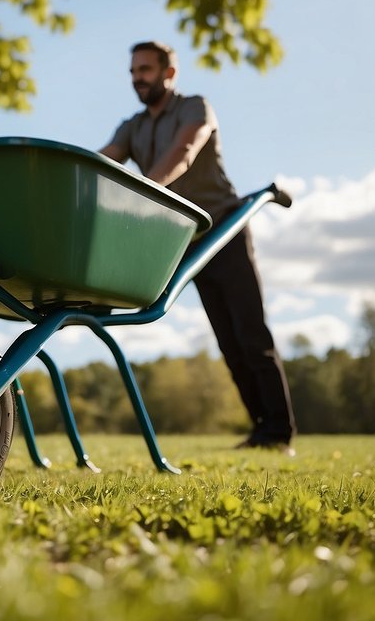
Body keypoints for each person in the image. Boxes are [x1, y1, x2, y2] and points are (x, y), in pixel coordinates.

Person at [101, 40, 296, 454]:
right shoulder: (132, 126)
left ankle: (279, 432)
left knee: (250, 333)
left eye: (147, 70)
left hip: (224, 229)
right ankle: (261, 430)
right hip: (187, 241)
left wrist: (146, 193)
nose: (138, 78)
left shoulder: (194, 107)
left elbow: (185, 151)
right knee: (227, 341)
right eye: (133, 71)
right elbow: (107, 159)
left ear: (169, 74)